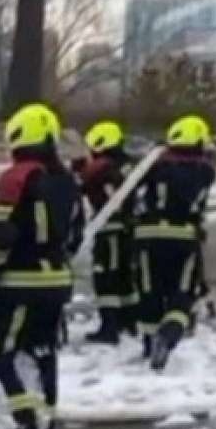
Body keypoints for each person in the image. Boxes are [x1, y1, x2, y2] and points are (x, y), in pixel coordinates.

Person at [0, 103, 83, 429]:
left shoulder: (16, 177)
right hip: (57, 282)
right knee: (43, 350)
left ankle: (23, 422)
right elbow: (76, 238)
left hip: (19, 281)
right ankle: (46, 420)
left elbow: (1, 234)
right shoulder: (68, 182)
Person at [134, 115, 216, 373]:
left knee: (150, 290)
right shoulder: (206, 172)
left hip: (148, 235)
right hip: (183, 236)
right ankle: (168, 336)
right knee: (182, 293)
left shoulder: (155, 167)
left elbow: (133, 181)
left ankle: (149, 343)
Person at [73, 121, 138, 345]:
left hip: (109, 229)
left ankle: (109, 327)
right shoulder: (130, 166)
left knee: (106, 278)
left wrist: (77, 171)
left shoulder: (101, 169)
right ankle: (129, 322)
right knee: (125, 277)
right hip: (129, 229)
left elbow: (84, 186)